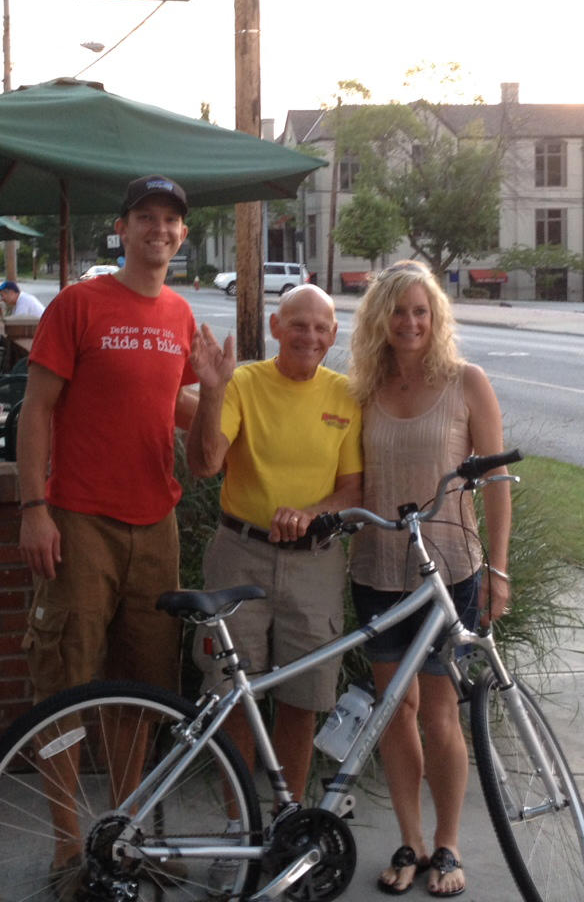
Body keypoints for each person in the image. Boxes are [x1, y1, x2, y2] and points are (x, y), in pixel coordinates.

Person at [16, 174, 200, 889]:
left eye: (171, 220)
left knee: (140, 690)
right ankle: (67, 845)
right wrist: (35, 506)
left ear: (182, 236)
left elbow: (170, 407)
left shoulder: (181, 314)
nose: (160, 228)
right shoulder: (78, 304)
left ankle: (122, 833)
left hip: (157, 525)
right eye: (146, 217)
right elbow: (36, 410)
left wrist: (239, 418)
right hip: (80, 521)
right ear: (122, 229)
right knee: (66, 682)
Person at [347, 261, 512, 899]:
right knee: (396, 712)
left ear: (436, 316)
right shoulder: (362, 389)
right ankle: (410, 841)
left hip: (452, 574)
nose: (410, 322)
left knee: (441, 712)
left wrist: (498, 568)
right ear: (380, 319)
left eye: (421, 311)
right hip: (379, 571)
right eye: (398, 311)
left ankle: (447, 843)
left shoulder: (466, 383)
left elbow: (496, 482)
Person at [185, 284, 363, 802]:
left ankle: (288, 822)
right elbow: (204, 464)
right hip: (241, 556)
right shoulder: (242, 383)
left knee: (301, 701)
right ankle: (240, 826)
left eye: (320, 326)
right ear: (275, 327)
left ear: (333, 334)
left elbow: (353, 488)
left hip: (316, 564)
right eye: (298, 323)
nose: (309, 335)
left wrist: (311, 514)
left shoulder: (344, 395)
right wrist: (213, 389)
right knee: (233, 699)